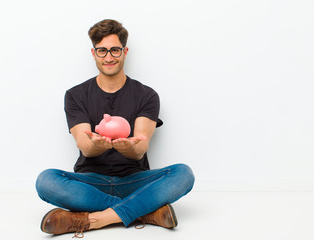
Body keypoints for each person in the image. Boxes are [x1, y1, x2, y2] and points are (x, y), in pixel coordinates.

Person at [35, 19, 195, 238]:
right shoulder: (75, 95)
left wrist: (127, 147)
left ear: (125, 51)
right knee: (45, 181)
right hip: (90, 184)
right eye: (102, 51)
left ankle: (94, 220)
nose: (108, 57)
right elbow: (86, 148)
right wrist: (96, 145)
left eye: (114, 50)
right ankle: (143, 212)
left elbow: (140, 149)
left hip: (135, 181)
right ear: (93, 53)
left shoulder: (146, 95)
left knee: (183, 174)